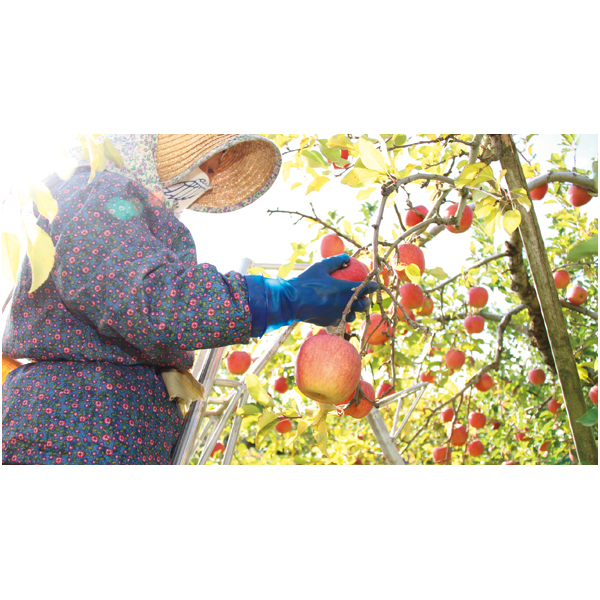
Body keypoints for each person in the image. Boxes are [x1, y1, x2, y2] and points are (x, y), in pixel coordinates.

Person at [2, 134, 377, 465]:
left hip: (104, 432)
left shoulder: (126, 216)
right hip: (75, 429)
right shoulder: (93, 191)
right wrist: (284, 298)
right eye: (206, 166)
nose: (206, 181)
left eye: (212, 173)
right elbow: (154, 300)